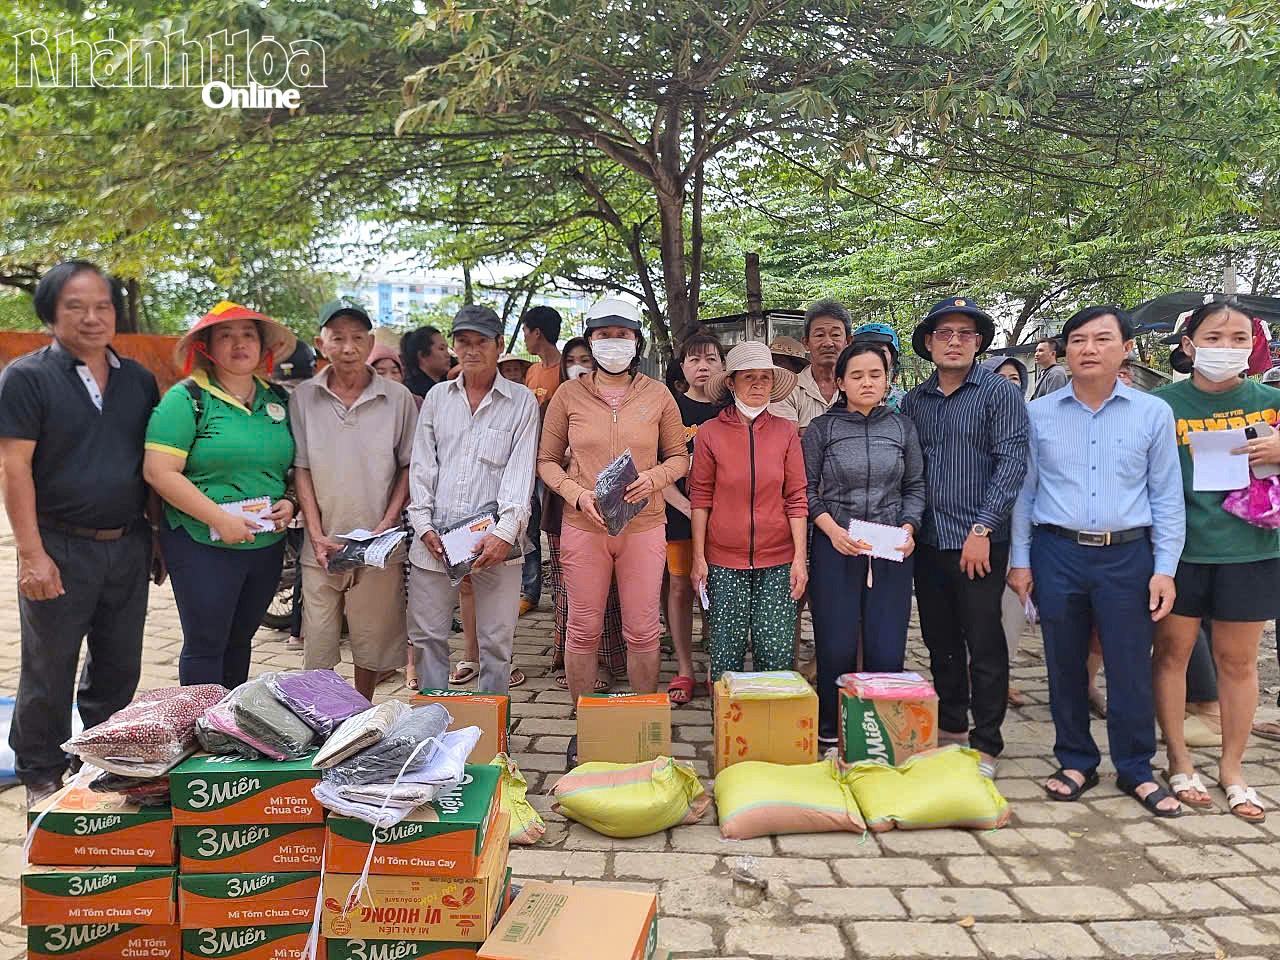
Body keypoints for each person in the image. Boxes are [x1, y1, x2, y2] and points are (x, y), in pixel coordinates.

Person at [1009, 305, 1184, 817]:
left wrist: (1165, 569)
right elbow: (1025, 492)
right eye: (1078, 339)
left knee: (1130, 664)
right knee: (1063, 662)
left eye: (1102, 339)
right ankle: (1075, 760)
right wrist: (1021, 562)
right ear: (1066, 350)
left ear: (1125, 348)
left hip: (1128, 554)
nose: (1089, 349)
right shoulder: (1039, 414)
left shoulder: (1152, 413)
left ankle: (1136, 768)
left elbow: (1167, 496)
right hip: (1056, 550)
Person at [0, 261, 161, 806]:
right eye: (76, 306)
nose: (92, 318)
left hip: (128, 543)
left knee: (119, 665)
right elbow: (14, 468)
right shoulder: (27, 377)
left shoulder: (138, 379)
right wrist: (31, 554)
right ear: (50, 313)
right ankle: (40, 769)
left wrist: (156, 537)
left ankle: (99, 758)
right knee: (50, 666)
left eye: (102, 306)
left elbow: (153, 464)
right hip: (58, 545)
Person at [1151, 297, 1280, 822]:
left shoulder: (1271, 402)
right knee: (1173, 656)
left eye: (1238, 340)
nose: (1225, 349)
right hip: (1180, 552)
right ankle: (1178, 759)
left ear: (1253, 348)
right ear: (1189, 346)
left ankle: (1232, 768)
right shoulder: (1162, 406)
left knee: (1237, 662)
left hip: (1250, 552)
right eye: (1213, 339)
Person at [538, 297, 688, 721]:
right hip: (584, 526)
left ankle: (642, 722)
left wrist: (654, 478)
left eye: (621, 335)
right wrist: (577, 493)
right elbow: (546, 461)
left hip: (644, 527)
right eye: (603, 335)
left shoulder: (657, 396)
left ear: (636, 342)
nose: (613, 343)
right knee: (582, 630)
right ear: (590, 340)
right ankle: (587, 723)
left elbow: (679, 457)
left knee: (642, 631)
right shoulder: (569, 395)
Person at [901, 297, 1028, 778]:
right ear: (929, 343)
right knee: (940, 641)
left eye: (965, 334)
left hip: (979, 542)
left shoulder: (999, 393)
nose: (954, 341)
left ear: (978, 343)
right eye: (944, 333)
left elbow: (1013, 462)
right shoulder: (914, 402)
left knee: (985, 642)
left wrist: (983, 527)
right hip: (929, 542)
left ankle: (987, 743)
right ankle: (952, 729)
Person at [144, 301, 298, 688]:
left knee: (241, 641)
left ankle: (229, 733)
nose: (239, 343)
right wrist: (219, 518)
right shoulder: (188, 399)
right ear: (207, 347)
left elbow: (294, 467)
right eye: (225, 336)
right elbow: (158, 471)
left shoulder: (279, 399)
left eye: (248, 335)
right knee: (206, 645)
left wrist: (291, 500)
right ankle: (200, 736)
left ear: (264, 346)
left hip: (265, 543)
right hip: (201, 543)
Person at [407, 305, 539, 696]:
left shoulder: (521, 402)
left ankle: (493, 733)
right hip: (434, 538)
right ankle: (431, 725)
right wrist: (424, 526)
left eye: (481, 341)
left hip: (497, 541)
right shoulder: (437, 398)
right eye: (463, 341)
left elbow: (519, 473)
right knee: (429, 635)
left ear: (499, 345)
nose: (471, 350)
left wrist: (504, 534)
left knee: (496, 643)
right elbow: (422, 466)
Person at [290, 300, 418, 701]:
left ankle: (362, 710)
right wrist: (316, 532)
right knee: (319, 640)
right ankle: (320, 715)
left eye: (357, 338)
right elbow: (302, 468)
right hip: (322, 544)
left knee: (372, 639)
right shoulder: (303, 398)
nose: (348, 347)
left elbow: (408, 467)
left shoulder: (397, 398)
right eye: (338, 338)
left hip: (377, 545)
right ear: (320, 342)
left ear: (370, 342)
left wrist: (386, 524)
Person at [803, 342, 925, 747]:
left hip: (891, 548)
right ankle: (830, 727)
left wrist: (909, 528)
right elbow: (805, 490)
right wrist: (832, 531)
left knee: (886, 644)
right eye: (856, 375)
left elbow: (914, 486)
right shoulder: (824, 428)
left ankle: (881, 731)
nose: (867, 382)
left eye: (875, 374)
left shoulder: (902, 427)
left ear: (888, 380)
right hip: (836, 545)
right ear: (840, 382)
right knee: (834, 643)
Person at [688, 341, 808, 679]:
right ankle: (728, 729)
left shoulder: (785, 432)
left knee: (776, 654)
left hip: (779, 559)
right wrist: (700, 557)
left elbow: (796, 497)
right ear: (731, 382)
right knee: (726, 655)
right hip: (724, 561)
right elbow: (701, 498)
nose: (758, 385)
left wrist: (799, 558)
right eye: (749, 377)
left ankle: (774, 729)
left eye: (765, 378)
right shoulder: (710, 433)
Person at [544, 337, 628, 691]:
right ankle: (569, 657)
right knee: (570, 591)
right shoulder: (557, 400)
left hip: (614, 509)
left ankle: (607, 662)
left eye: (585, 359)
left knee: (608, 594)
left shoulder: (614, 400)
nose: (579, 365)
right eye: (571, 359)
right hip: (565, 507)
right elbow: (545, 456)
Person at [664, 331, 726, 704]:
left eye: (711, 360)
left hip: (725, 517)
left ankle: (715, 666)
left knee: (719, 591)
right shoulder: (670, 408)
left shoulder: (732, 407)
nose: (702, 367)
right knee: (680, 587)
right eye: (694, 360)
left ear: (723, 365)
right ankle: (685, 667)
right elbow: (657, 469)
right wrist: (687, 507)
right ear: (683, 367)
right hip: (680, 514)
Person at [770, 300, 851, 432]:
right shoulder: (787, 391)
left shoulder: (859, 387)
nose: (828, 343)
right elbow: (787, 442)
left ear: (848, 341)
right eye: (819, 335)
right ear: (806, 343)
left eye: (835, 335)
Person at [851, 322, 907, 411]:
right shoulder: (841, 401)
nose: (872, 356)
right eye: (863, 350)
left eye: (880, 351)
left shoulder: (906, 403)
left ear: (893, 359)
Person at [401, 325, 452, 397]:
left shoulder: (450, 384)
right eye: (441, 349)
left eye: (447, 349)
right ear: (422, 355)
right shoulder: (412, 393)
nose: (447, 355)